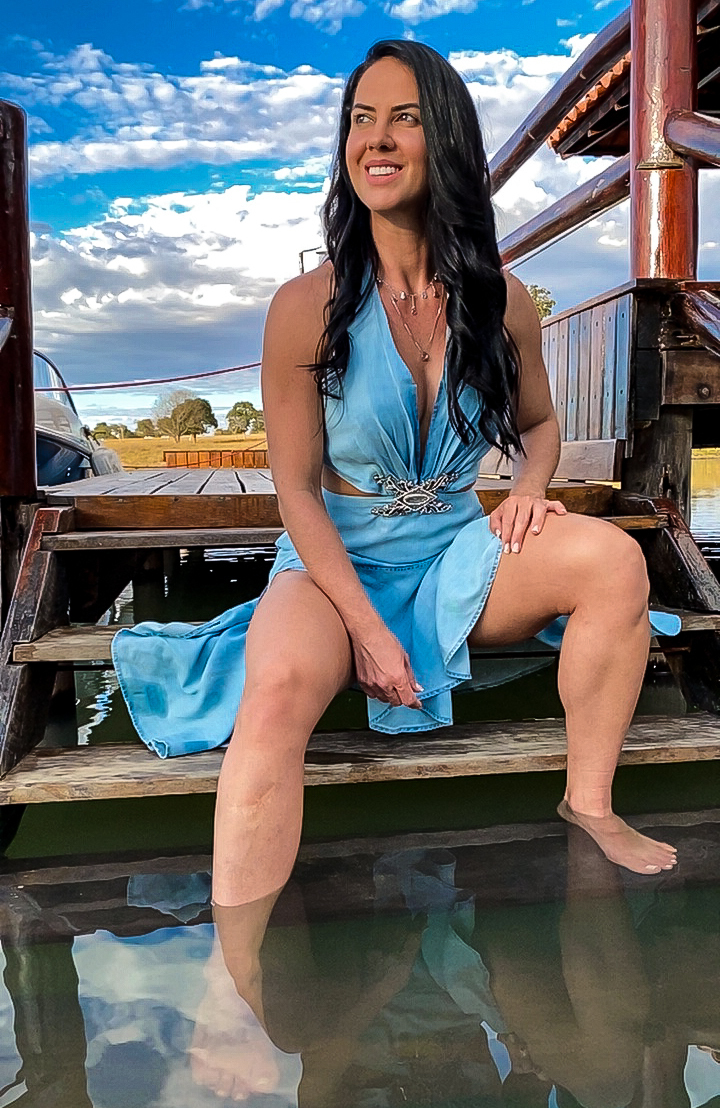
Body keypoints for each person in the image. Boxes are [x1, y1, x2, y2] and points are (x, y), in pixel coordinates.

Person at [113, 39, 680, 906]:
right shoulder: (304, 306)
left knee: (615, 561)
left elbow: (539, 425)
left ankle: (589, 803)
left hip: (457, 551)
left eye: (404, 119)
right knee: (275, 690)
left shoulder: (502, 299)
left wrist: (528, 492)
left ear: (445, 139)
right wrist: (368, 630)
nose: (375, 139)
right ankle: (238, 970)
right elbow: (295, 489)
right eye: (361, 120)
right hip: (335, 559)